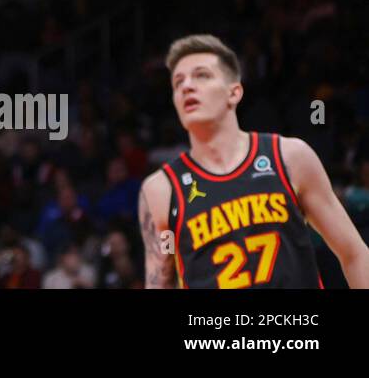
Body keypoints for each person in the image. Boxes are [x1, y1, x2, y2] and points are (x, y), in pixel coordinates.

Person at [139, 34, 369, 288]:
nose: (187, 86)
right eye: (178, 82)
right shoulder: (161, 190)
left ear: (234, 92)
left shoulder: (290, 157)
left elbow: (354, 253)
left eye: (201, 75)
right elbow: (160, 283)